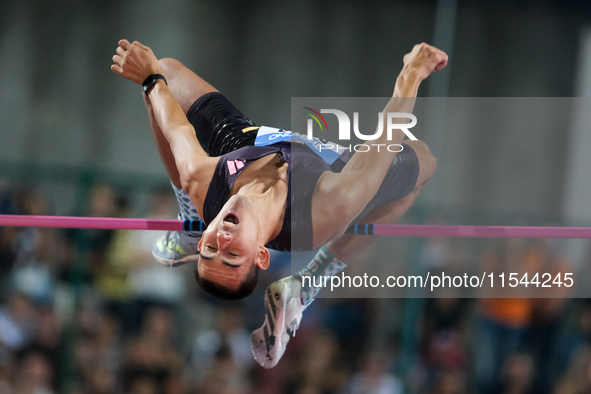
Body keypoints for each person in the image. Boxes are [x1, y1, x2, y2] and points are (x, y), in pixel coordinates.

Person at [111, 40, 446, 365]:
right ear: (261, 254)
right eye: (232, 255)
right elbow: (385, 139)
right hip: (333, 166)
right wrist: (412, 70)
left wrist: (150, 77)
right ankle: (309, 282)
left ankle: (189, 223)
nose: (221, 241)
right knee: (424, 163)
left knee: (164, 73)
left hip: (242, 142)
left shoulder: (204, 184)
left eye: (209, 248)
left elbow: (175, 126)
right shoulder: (329, 205)